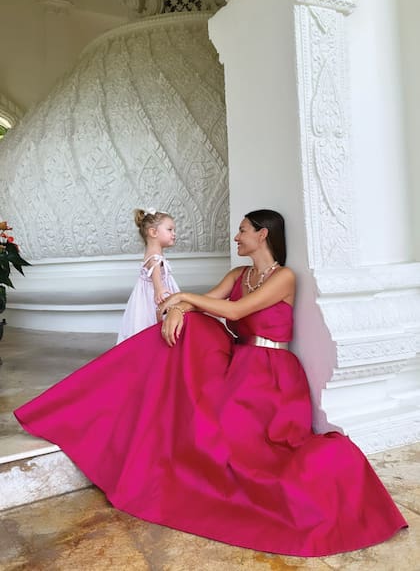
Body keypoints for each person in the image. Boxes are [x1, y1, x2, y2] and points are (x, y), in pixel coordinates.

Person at [14, 210, 407, 558]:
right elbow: (210, 302)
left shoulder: (284, 277)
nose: (236, 237)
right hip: (239, 363)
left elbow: (234, 310)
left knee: (245, 451)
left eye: (242, 230)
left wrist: (183, 299)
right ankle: (100, 403)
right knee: (188, 331)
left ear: (263, 235)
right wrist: (180, 309)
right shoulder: (239, 274)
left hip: (274, 375)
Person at [117, 207, 179, 344]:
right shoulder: (155, 258)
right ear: (153, 232)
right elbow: (156, 276)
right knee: (152, 326)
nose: (174, 234)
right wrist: (159, 290)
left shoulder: (152, 255)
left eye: (174, 230)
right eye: (169, 230)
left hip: (144, 295)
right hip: (152, 297)